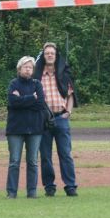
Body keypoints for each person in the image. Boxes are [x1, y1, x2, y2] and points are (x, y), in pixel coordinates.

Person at [33, 42, 78, 197]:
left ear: (56, 55)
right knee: (45, 155)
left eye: (52, 53)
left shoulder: (63, 75)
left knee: (65, 153)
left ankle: (70, 186)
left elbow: (70, 95)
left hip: (61, 118)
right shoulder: (37, 76)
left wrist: (68, 112)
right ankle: (49, 187)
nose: (50, 55)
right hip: (43, 120)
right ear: (43, 56)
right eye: (47, 53)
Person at [5, 56, 45, 199]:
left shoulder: (37, 84)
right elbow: (12, 103)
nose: (28, 70)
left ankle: (32, 192)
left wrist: (21, 99)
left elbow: (40, 104)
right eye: (25, 67)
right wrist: (31, 98)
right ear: (19, 68)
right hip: (15, 129)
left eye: (30, 67)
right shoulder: (13, 84)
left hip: (35, 129)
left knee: (33, 162)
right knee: (14, 161)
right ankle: (11, 192)